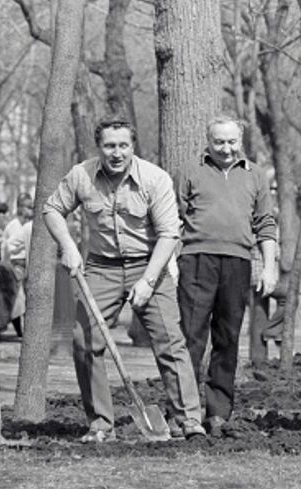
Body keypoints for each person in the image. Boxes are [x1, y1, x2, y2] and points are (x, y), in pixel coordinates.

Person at [44, 119, 205, 442]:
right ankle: (101, 424)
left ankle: (188, 420)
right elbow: (51, 209)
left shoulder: (154, 178)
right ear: (98, 147)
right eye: (109, 146)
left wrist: (147, 281)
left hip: (149, 265)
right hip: (100, 269)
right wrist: (68, 246)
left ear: (133, 146)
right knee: (83, 341)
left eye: (123, 146)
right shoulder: (82, 174)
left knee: (170, 342)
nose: (116, 153)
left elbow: (169, 234)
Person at [175, 116, 277, 434]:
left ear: (240, 141)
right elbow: (173, 220)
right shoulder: (190, 172)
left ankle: (218, 411)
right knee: (191, 337)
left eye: (232, 141)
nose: (226, 148)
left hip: (237, 262)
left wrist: (270, 266)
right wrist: (169, 262)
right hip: (195, 261)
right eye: (219, 141)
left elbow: (265, 224)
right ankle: (184, 413)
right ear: (208, 142)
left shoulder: (256, 175)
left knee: (227, 338)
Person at [1, 195, 33, 335]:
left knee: (26, 297)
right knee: (18, 297)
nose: (31, 210)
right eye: (28, 206)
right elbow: (7, 246)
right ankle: (18, 330)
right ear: (20, 207)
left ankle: (25, 330)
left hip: (29, 263)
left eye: (31, 207)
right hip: (16, 263)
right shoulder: (13, 225)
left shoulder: (29, 224)